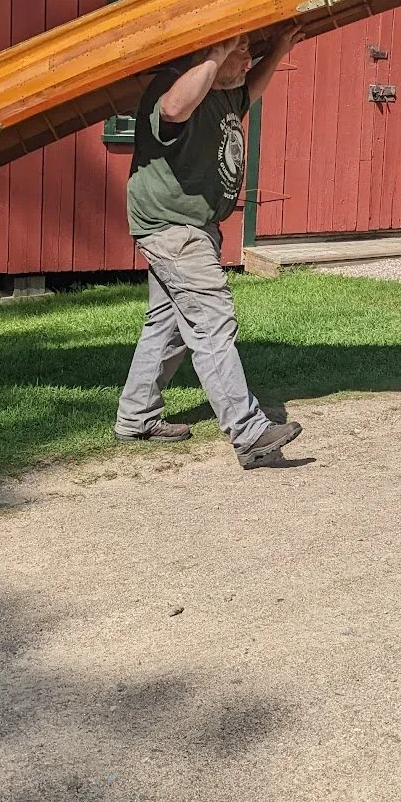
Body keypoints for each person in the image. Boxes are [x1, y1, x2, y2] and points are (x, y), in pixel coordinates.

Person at [114, 26, 304, 469]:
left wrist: (277, 50)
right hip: (172, 229)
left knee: (169, 325)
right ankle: (250, 432)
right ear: (210, 54)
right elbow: (175, 109)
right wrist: (217, 57)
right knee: (212, 321)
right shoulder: (175, 85)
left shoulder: (223, 89)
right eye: (242, 52)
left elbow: (248, 90)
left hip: (192, 226)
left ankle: (135, 417)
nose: (247, 60)